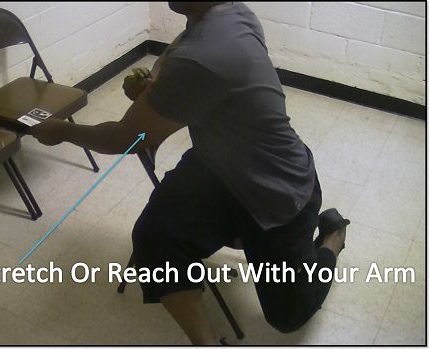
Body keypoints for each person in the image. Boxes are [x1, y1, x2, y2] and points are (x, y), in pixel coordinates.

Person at [32, 2, 350, 345]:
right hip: (217, 168)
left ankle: (333, 239)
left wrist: (63, 131)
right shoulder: (229, 13)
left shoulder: (204, 55)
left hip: (277, 188)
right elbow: (180, 47)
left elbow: (129, 138)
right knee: (155, 238)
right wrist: (157, 78)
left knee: (288, 316)